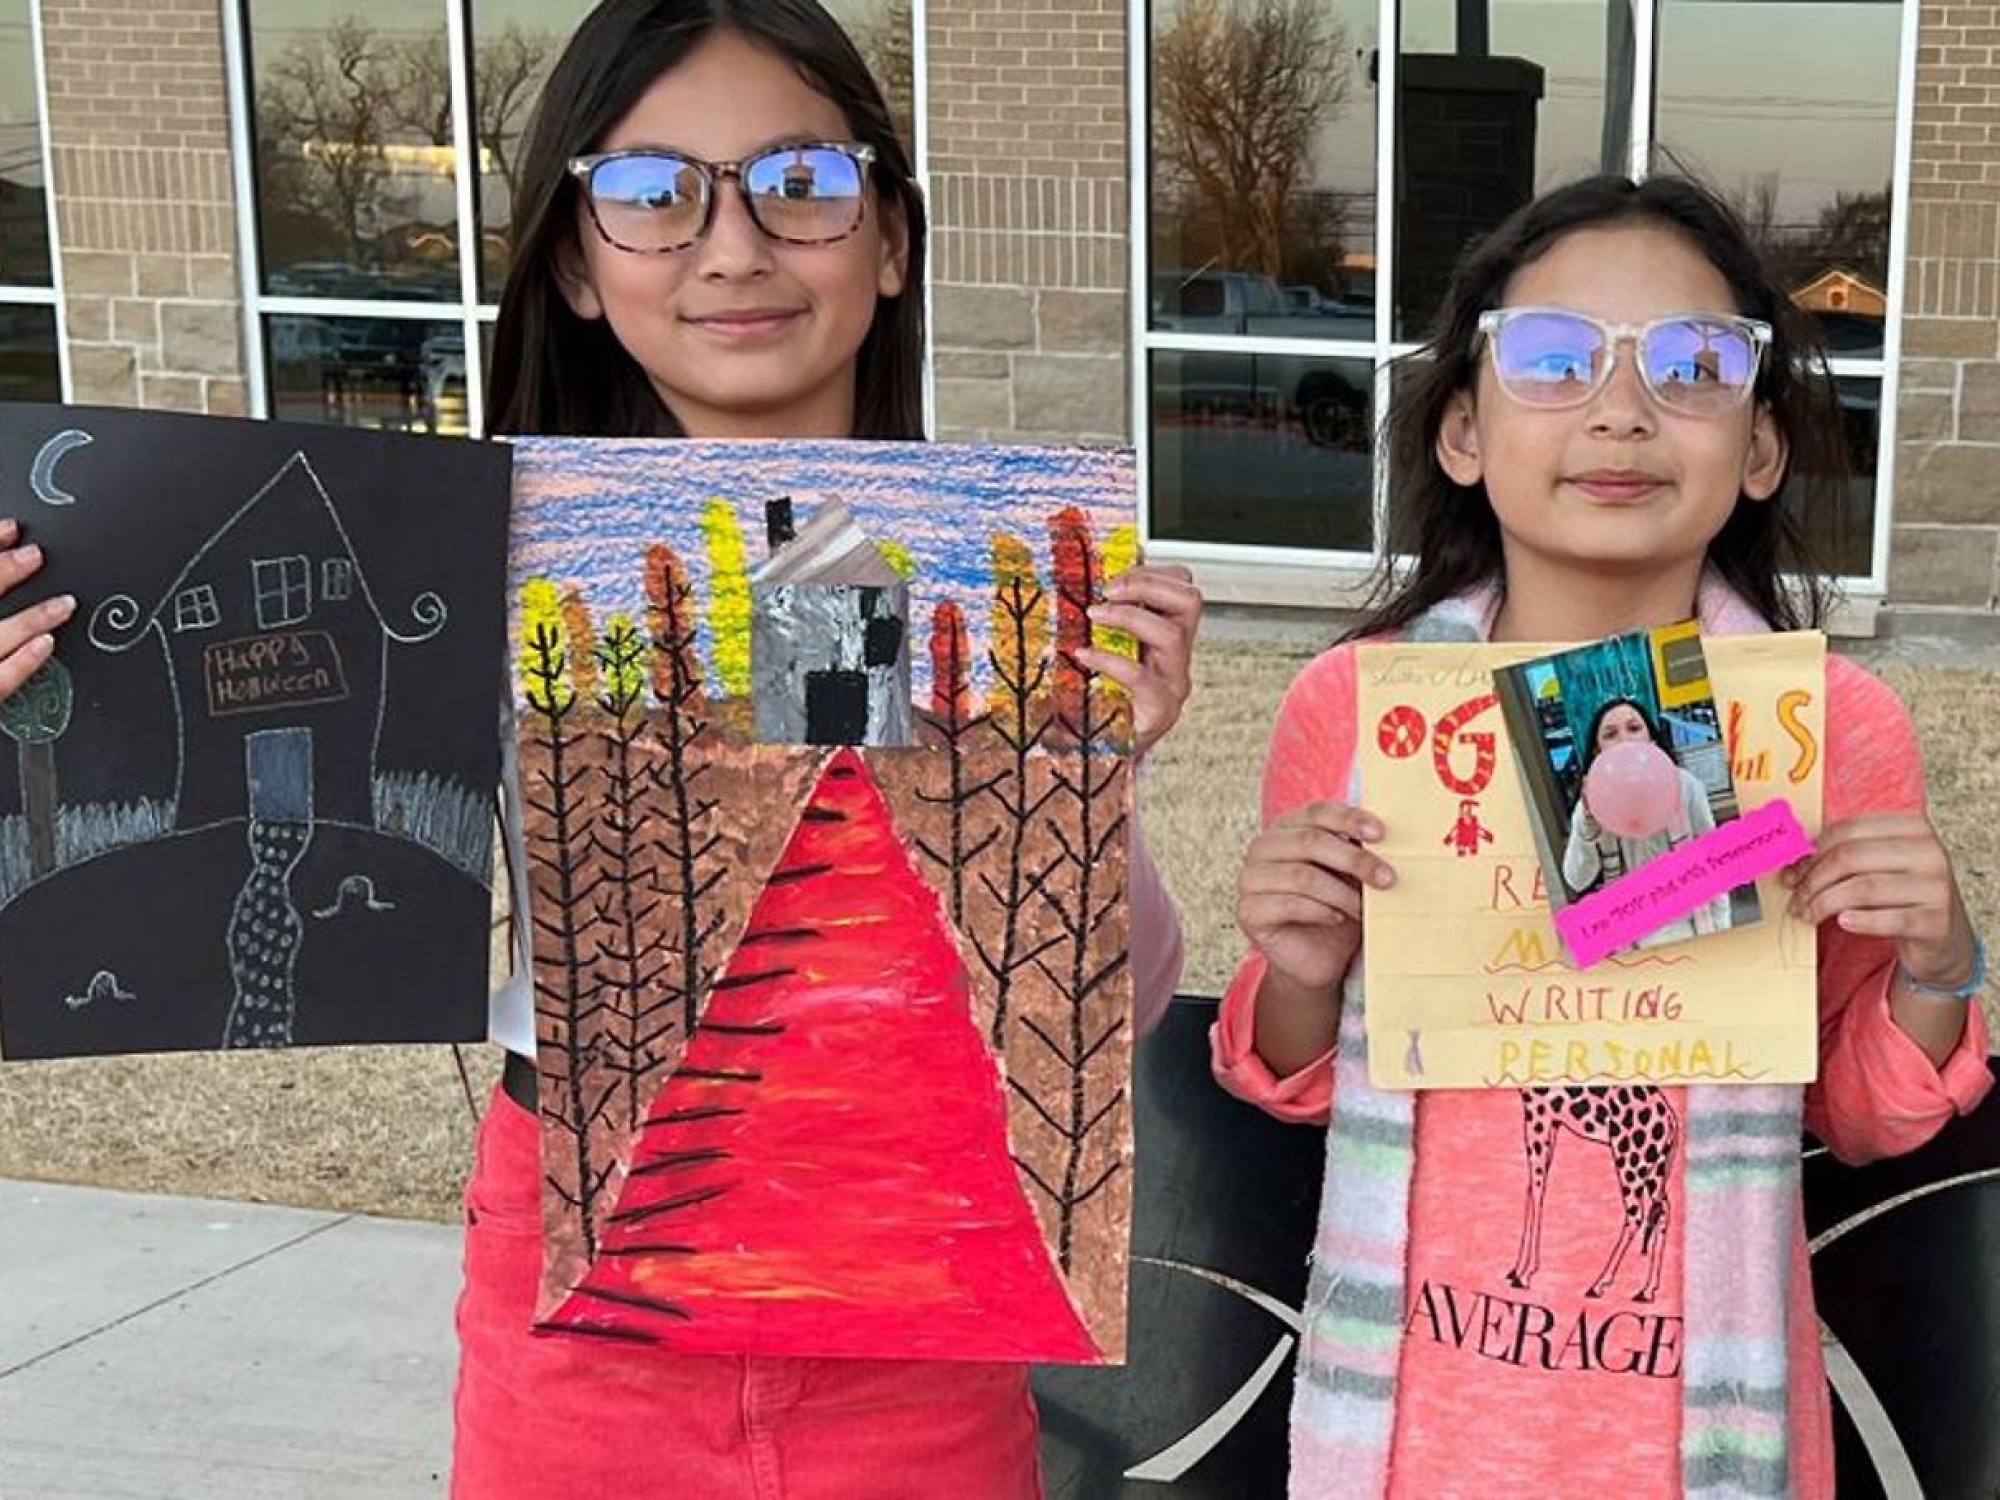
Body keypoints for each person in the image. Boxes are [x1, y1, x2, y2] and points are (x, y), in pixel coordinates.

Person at [458, 3, 1201, 1496]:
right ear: (575, 264)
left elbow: (1091, 1001)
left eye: (800, 182)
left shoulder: (976, 586)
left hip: (906, 1284)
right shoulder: (464, 572)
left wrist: (1076, 775)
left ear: (893, 242)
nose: (732, 245)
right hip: (588, 1300)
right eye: (652, 194)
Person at [1220, 174, 1992, 1497]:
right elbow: (1286, 1072)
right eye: (1553, 358)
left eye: (1695, 364)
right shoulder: (1354, 714)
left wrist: (1939, 967)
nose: (1621, 410)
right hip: (1415, 1436)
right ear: (1463, 428)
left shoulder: (1830, 730)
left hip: (1702, 1442)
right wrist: (1298, 967)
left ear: (1760, 448)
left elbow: (1859, 1109)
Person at [1562, 695, 1732, 943]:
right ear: (1598, 752)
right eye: (1610, 734)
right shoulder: (1591, 805)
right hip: (1631, 942)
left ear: (1651, 740)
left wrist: (1722, 928)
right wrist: (1587, 826)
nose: (1625, 740)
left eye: (1634, 728)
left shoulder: (1685, 786)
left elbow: (1714, 864)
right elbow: (1577, 879)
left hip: (1694, 928)